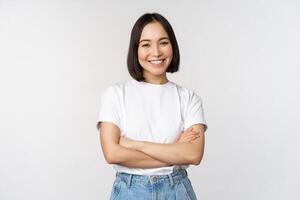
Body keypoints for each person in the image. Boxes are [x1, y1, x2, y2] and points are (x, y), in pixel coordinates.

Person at [96, 12, 207, 200]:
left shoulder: (188, 98)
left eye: (163, 42)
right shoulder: (115, 94)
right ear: (135, 49)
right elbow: (112, 153)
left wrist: (134, 144)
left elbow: (194, 154)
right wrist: (175, 151)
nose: (156, 52)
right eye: (146, 44)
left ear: (173, 46)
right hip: (130, 191)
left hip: (177, 190)